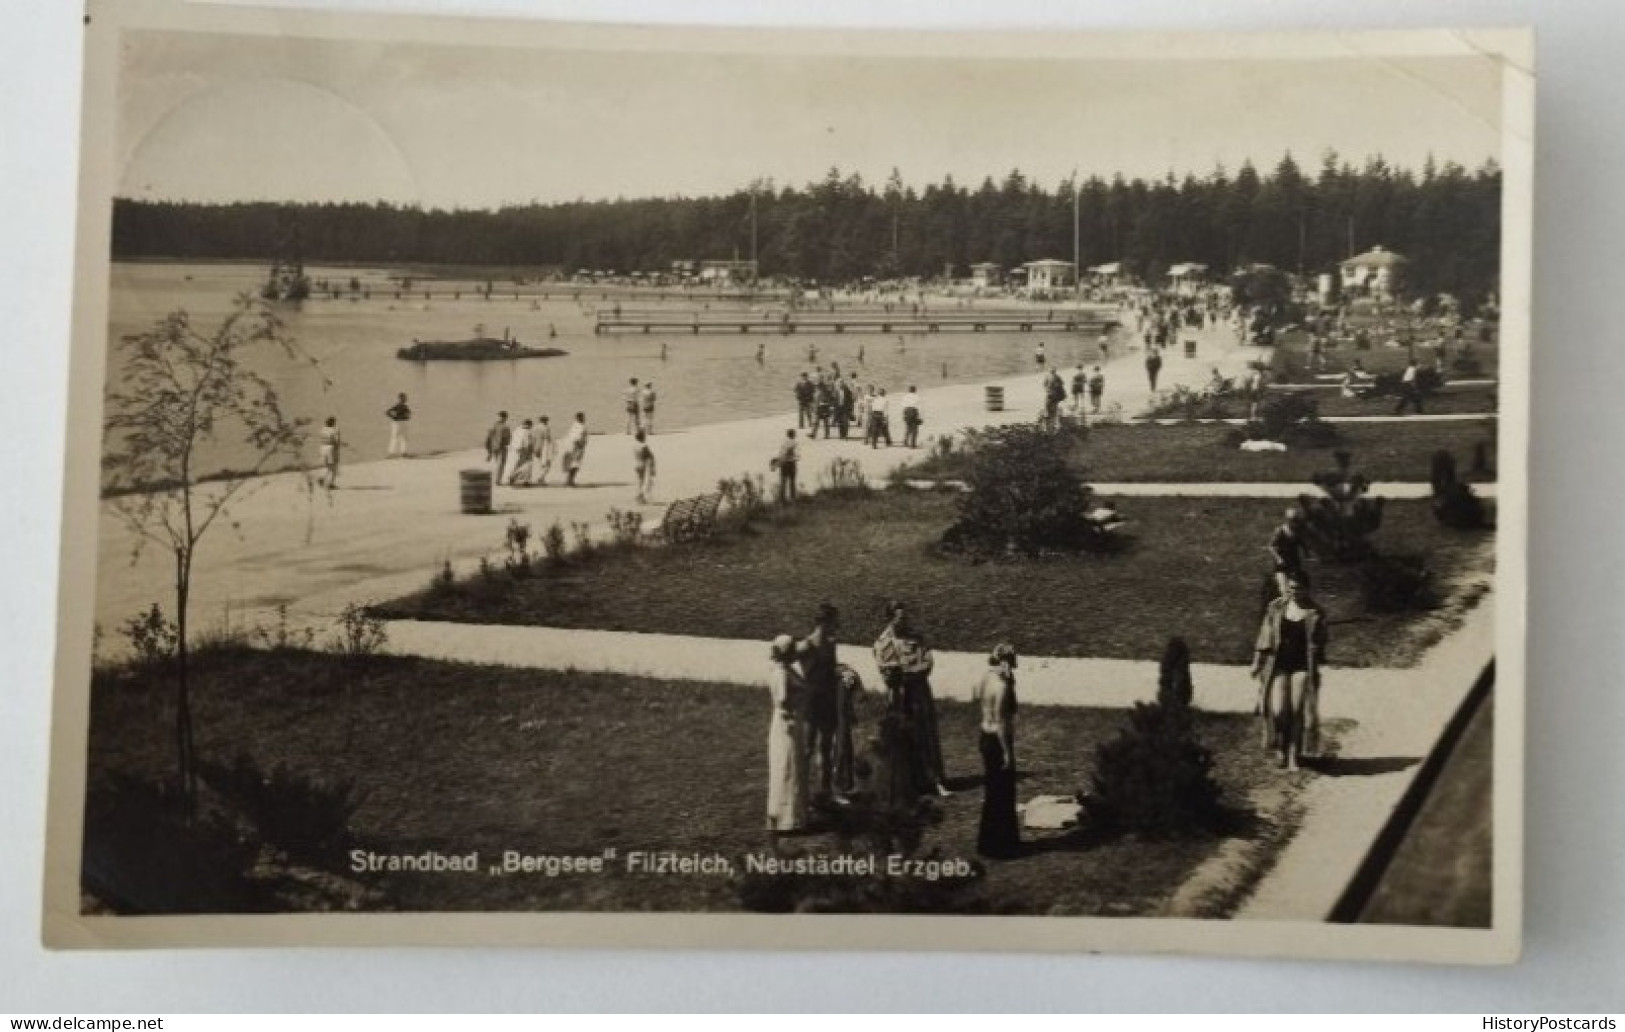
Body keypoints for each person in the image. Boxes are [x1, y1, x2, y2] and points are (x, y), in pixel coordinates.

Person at [1250, 573, 1328, 771]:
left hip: (1302, 666)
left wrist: (1318, 644)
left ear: (1307, 589)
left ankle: (1292, 753)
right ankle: (1281, 747)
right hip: (1279, 665)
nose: (1294, 592)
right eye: (1291, 588)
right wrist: (1257, 661)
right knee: (1278, 711)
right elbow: (1265, 636)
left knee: (1296, 709)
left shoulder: (1315, 613)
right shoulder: (1276, 608)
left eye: (1299, 588)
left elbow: (1321, 641)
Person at [873, 601, 949, 797]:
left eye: (905, 617)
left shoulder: (916, 638)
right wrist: (906, 673)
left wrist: (912, 672)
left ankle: (935, 780)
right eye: (899, 618)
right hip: (899, 696)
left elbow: (927, 662)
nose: (904, 622)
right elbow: (887, 673)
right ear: (890, 619)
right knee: (902, 737)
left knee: (926, 736)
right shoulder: (883, 642)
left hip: (919, 693)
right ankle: (907, 784)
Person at [798, 603, 849, 804]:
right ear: (823, 622)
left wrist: (844, 671)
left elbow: (831, 668)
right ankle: (800, 793)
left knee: (827, 747)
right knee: (808, 748)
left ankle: (826, 792)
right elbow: (784, 662)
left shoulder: (831, 642)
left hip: (827, 700)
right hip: (811, 702)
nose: (837, 626)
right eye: (834, 622)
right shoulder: (806, 645)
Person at [974, 643, 1020, 858]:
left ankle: (988, 842)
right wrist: (1007, 753)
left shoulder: (985, 677)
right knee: (1003, 793)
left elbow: (975, 695)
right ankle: (1004, 845)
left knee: (992, 791)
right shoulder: (1001, 687)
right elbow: (1001, 721)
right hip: (997, 741)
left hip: (985, 736)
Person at [765, 634, 810, 834]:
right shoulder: (782, 674)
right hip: (788, 725)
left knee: (787, 767)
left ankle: (786, 816)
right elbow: (783, 701)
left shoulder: (782, 670)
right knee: (789, 767)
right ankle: (788, 820)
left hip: (786, 724)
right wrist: (792, 716)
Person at [1267, 507, 1313, 596]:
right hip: (1282, 565)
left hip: (1295, 563)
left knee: (1298, 588)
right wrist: (1278, 558)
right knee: (1284, 590)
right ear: (1287, 520)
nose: (1295, 522)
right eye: (1293, 520)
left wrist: (1307, 554)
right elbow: (1271, 546)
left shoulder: (1297, 531)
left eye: (1296, 519)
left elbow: (1303, 544)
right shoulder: (1280, 531)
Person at [562, 412, 588, 487]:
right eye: (583, 417)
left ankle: (569, 480)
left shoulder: (575, 425)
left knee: (573, 464)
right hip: (576, 448)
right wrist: (580, 446)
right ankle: (570, 481)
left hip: (572, 447)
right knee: (575, 464)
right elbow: (577, 438)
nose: (584, 419)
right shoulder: (580, 427)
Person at [485, 412, 511, 485]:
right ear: (506, 418)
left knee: (497, 463)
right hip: (502, 447)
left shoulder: (493, 426)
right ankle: (497, 480)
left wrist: (489, 450)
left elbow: (488, 437)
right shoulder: (506, 427)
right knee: (501, 464)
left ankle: (496, 479)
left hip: (494, 447)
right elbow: (508, 440)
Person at [774, 429, 799, 503]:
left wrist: (778, 462)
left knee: (783, 481)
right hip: (792, 463)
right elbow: (798, 456)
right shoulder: (795, 443)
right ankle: (793, 497)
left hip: (784, 464)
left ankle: (782, 498)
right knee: (792, 481)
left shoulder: (784, 443)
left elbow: (781, 454)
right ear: (793, 435)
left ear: (787, 435)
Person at [507, 419, 535, 485]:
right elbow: (527, 442)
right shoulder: (527, 431)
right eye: (530, 425)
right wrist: (530, 449)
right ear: (528, 425)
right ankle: (524, 480)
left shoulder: (517, 430)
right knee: (528, 465)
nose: (531, 427)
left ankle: (513, 477)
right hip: (524, 450)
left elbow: (513, 440)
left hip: (516, 450)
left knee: (518, 464)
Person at [530, 415, 556, 486]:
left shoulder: (534, 428)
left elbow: (532, 438)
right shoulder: (546, 428)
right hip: (544, 447)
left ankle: (541, 478)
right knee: (547, 465)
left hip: (536, 447)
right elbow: (548, 438)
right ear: (545, 421)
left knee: (541, 464)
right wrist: (554, 448)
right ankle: (541, 478)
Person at [632, 430, 656, 503]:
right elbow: (650, 456)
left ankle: (638, 495)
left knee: (639, 481)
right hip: (643, 464)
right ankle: (640, 496)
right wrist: (653, 467)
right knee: (644, 481)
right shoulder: (644, 446)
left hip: (636, 464)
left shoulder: (635, 446)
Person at [385, 393, 411, 458]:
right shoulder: (401, 406)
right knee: (402, 437)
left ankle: (394, 452)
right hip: (401, 423)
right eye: (404, 398)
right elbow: (387, 412)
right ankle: (401, 452)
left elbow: (387, 412)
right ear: (401, 399)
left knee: (399, 437)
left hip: (397, 423)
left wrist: (394, 417)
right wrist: (394, 417)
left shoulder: (400, 406)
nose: (405, 399)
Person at [318, 416, 341, 490]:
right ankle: (330, 483)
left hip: (323, 448)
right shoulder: (334, 431)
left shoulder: (323, 430)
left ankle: (323, 479)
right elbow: (336, 441)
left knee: (327, 466)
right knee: (334, 467)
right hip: (331, 449)